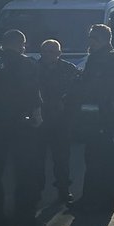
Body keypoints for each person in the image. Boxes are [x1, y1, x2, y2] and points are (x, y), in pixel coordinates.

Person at [69, 23, 114, 216]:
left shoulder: (113, 58)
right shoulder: (94, 57)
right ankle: (90, 199)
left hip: (104, 116)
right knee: (92, 159)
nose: (89, 42)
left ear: (101, 39)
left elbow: (106, 88)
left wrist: (84, 87)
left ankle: (106, 201)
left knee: (105, 161)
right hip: (91, 117)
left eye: (92, 38)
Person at [0, 30, 43, 226]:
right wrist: (37, 117)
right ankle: (25, 220)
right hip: (20, 125)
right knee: (26, 173)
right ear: (20, 44)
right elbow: (32, 94)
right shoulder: (26, 64)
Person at [37, 38, 79, 205]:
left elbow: (77, 92)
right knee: (37, 159)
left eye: (52, 51)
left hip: (61, 121)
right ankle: (36, 192)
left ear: (59, 54)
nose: (48, 55)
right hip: (40, 119)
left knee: (61, 158)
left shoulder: (68, 69)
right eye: (45, 51)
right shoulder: (33, 68)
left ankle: (63, 189)